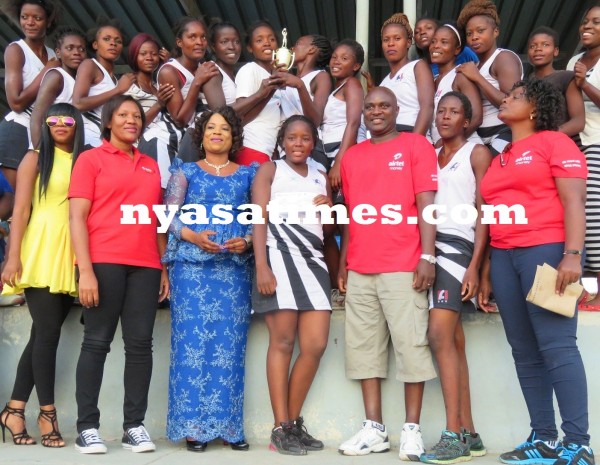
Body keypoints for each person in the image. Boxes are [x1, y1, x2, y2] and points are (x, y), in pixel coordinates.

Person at [479, 79, 594, 465]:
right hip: (505, 256)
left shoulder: (556, 143)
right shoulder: (502, 155)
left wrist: (573, 255)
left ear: (534, 108)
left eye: (514, 96)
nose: (505, 99)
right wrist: (487, 271)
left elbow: (573, 200)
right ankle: (544, 438)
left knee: (557, 346)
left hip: (546, 251)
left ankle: (577, 443)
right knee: (524, 351)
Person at [337, 87, 437, 459]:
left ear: (397, 109)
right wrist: (345, 261)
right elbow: (350, 216)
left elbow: (427, 204)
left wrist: (428, 256)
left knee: (412, 348)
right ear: (362, 112)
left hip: (404, 265)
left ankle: (412, 430)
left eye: (384, 106)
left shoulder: (416, 146)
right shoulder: (352, 157)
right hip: (361, 267)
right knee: (364, 352)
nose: (376, 112)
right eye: (370, 107)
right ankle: (374, 430)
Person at [69, 95, 168, 454]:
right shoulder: (90, 160)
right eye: (123, 115)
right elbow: (77, 218)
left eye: (137, 116)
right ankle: (87, 428)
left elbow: (156, 221)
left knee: (140, 346)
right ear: (108, 122)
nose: (132, 121)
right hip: (104, 261)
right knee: (96, 342)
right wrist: (86, 271)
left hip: (145, 265)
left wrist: (162, 265)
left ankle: (134, 426)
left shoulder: (150, 166)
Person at [163, 106, 256, 453]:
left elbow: (256, 217)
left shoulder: (248, 175)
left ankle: (230, 426)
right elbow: (168, 217)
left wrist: (245, 241)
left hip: (233, 271)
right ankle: (193, 427)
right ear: (201, 136)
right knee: (191, 348)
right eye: (211, 128)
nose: (217, 133)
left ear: (234, 138)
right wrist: (192, 236)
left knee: (229, 349)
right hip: (191, 270)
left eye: (225, 129)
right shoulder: (185, 172)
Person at [0, 103, 83, 448]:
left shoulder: (83, 160)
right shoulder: (34, 158)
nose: (60, 124)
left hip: (72, 250)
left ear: (77, 125)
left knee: (41, 334)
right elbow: (19, 210)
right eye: (53, 119)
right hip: (42, 247)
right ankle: (46, 413)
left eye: (67, 119)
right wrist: (12, 257)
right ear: (45, 124)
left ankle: (13, 409)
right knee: (48, 335)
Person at [252, 115, 332, 455]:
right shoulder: (270, 170)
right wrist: (261, 266)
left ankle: (293, 423)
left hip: (313, 262)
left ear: (313, 142)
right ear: (281, 142)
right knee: (283, 342)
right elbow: (258, 217)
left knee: (314, 345)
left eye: (304, 138)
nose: (298, 144)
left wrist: (330, 210)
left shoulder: (320, 173)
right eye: (291, 138)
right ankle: (279, 428)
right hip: (277, 258)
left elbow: (326, 231)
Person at [419, 92, 491, 464]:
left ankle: (451, 436)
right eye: (441, 111)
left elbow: (485, 214)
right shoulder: (429, 153)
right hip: (429, 247)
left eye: (454, 112)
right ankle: (470, 433)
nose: (446, 117)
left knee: (438, 335)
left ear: (467, 120)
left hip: (458, 249)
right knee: (455, 343)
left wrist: (477, 267)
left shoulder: (476, 153)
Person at [138, 16, 225, 188]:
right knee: (163, 198)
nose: (199, 42)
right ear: (179, 41)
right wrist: (197, 82)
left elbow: (221, 111)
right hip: (163, 141)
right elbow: (179, 119)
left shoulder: (204, 67)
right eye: (192, 37)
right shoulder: (169, 71)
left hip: (185, 141)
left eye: (203, 37)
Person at [0, 0, 58, 189]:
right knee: (9, 202)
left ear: (48, 22)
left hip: (40, 133)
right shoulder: (16, 50)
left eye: (37, 18)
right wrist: (46, 72)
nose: (29, 23)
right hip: (18, 128)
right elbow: (15, 102)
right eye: (24, 17)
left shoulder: (53, 54)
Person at [456, 0, 522, 155]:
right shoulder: (476, 65)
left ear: (495, 32)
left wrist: (477, 77)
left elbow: (515, 103)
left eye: (480, 31)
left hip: (504, 131)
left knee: (492, 174)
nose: (474, 37)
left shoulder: (503, 58)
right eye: (469, 34)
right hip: (479, 135)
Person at [567, 3, 600, 310]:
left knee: (594, 217)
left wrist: (584, 83)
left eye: (596, 22)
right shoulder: (576, 59)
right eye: (585, 21)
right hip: (580, 146)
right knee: (583, 216)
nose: (587, 26)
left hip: (598, 144)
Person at [176, 19, 242, 163]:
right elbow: (222, 113)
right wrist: (261, 94)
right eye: (224, 42)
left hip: (217, 141)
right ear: (213, 46)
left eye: (236, 42)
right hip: (200, 141)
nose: (232, 47)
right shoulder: (211, 69)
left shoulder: (235, 75)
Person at [72, 19, 135, 149]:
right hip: (89, 138)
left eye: (118, 41)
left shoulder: (116, 80)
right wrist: (118, 90)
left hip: (107, 139)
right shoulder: (89, 65)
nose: (113, 43)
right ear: (95, 44)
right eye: (107, 39)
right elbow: (77, 104)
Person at [234, 20, 285, 166]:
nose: (267, 43)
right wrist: (265, 91)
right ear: (250, 48)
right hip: (252, 145)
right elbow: (240, 111)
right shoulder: (250, 69)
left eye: (272, 39)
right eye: (259, 40)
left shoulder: (274, 75)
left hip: (266, 150)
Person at [376, 13, 434, 136]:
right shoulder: (384, 83)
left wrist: (414, 142)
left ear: (408, 42)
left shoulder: (418, 66)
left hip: (413, 134)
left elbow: (427, 107)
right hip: (388, 139)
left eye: (397, 38)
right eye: (386, 39)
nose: (391, 43)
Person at [30, 26, 87, 148]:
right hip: (48, 149)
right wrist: (40, 152)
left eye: (81, 49)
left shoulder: (79, 81)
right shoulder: (56, 76)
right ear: (58, 52)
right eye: (69, 48)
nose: (76, 52)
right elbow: (36, 119)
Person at [321, 39, 365, 190]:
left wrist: (340, 162)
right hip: (333, 155)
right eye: (334, 57)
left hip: (343, 155)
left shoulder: (352, 84)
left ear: (356, 66)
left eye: (344, 58)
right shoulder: (336, 89)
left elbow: (354, 123)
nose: (336, 62)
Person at [429, 23, 483, 144]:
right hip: (443, 151)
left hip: (465, 149)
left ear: (457, 49)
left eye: (444, 42)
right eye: (433, 41)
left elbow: (476, 117)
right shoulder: (433, 80)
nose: (436, 46)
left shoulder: (460, 75)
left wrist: (448, 143)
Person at [528, 26, 584, 138]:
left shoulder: (566, 77)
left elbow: (578, 122)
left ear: (556, 51)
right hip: (533, 143)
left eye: (545, 45)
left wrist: (548, 136)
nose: (538, 49)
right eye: (532, 46)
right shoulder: (527, 82)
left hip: (558, 141)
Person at [124, 33, 174, 128]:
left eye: (154, 54)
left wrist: (169, 65)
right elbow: (132, 124)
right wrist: (159, 104)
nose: (149, 58)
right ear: (134, 56)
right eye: (143, 54)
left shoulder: (158, 86)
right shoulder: (129, 86)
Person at [414, 17, 478, 78]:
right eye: (416, 32)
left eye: (428, 28)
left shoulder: (464, 52)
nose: (422, 32)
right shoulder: (418, 66)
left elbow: (478, 69)